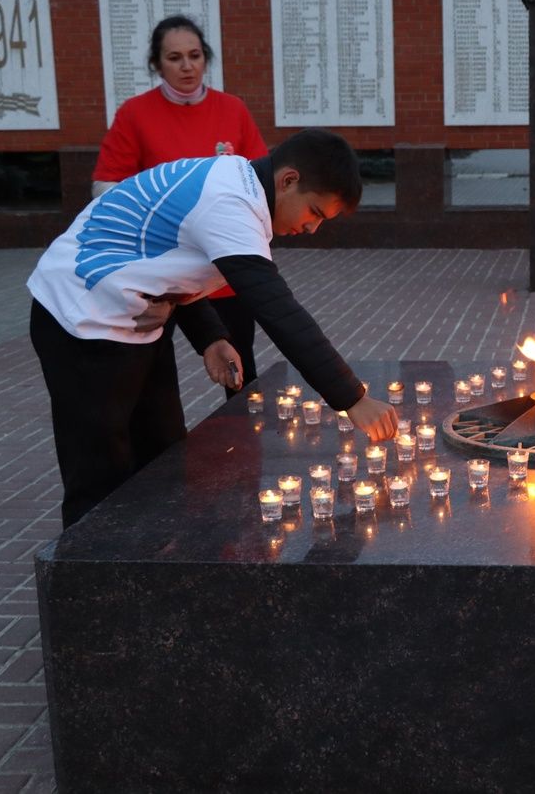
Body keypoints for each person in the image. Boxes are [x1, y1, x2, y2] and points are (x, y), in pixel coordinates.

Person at [30, 128, 398, 529]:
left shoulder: (235, 182)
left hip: (133, 321)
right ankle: (90, 577)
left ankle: (153, 557)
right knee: (100, 469)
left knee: (163, 454)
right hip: (80, 320)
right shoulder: (230, 202)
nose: (312, 229)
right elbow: (277, 309)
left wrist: (212, 337)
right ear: (289, 180)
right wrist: (352, 398)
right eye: (315, 213)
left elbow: (168, 251)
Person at [93, 15, 269, 395]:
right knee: (148, 377)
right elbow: (107, 188)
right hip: (159, 275)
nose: (187, 66)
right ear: (157, 64)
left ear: (206, 58)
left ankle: (247, 443)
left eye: (194, 55)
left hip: (223, 271)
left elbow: (260, 183)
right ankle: (163, 449)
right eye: (174, 58)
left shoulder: (233, 109)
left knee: (239, 370)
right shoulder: (135, 114)